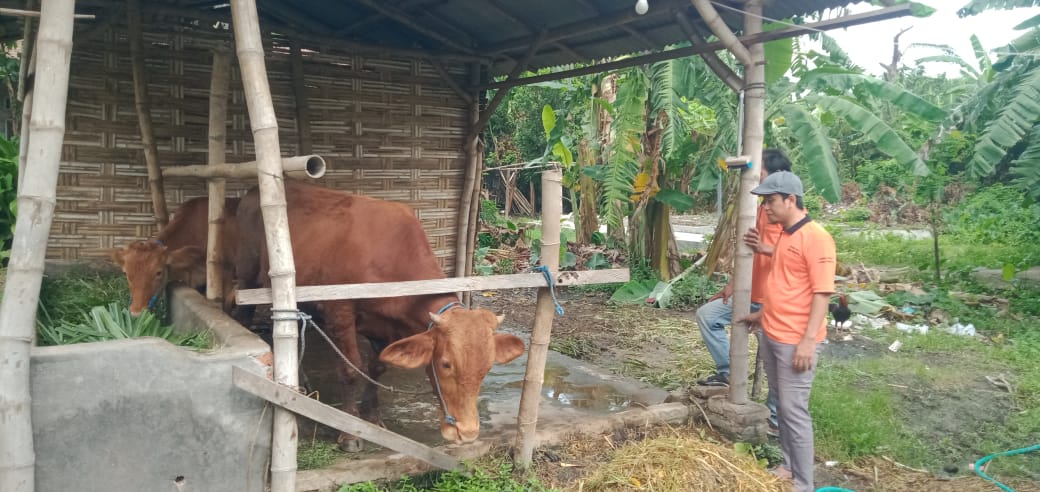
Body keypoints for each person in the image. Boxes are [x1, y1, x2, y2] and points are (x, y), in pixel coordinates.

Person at [739, 171, 836, 492]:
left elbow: (822, 293)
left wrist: (808, 342)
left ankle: (804, 484)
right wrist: (762, 315)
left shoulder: (817, 238)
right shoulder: (785, 234)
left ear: (790, 200)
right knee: (781, 404)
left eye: (770, 201)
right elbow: (786, 284)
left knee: (794, 412)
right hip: (773, 332)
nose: (766, 208)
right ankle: (787, 466)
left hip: (796, 340)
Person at [694, 149, 791, 430]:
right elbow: (751, 254)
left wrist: (766, 249)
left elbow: (794, 256)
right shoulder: (763, 208)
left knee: (777, 363)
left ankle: (772, 422)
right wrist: (732, 284)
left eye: (759, 174)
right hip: (750, 294)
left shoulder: (791, 217)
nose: (755, 183)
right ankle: (727, 373)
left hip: (775, 302)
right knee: (708, 315)